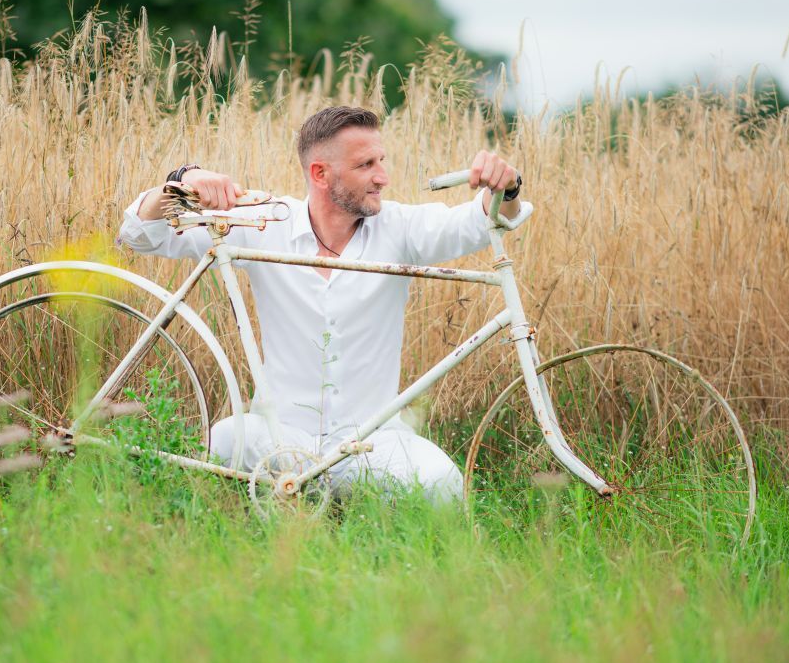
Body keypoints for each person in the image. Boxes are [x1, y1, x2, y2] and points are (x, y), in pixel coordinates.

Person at [117, 106, 521, 502]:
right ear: (320, 174)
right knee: (219, 443)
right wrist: (181, 179)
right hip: (278, 440)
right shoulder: (266, 222)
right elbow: (140, 235)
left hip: (372, 445)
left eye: (381, 161)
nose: (383, 177)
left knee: (443, 486)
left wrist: (507, 187)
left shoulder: (399, 228)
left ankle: (332, 500)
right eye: (366, 165)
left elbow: (484, 221)